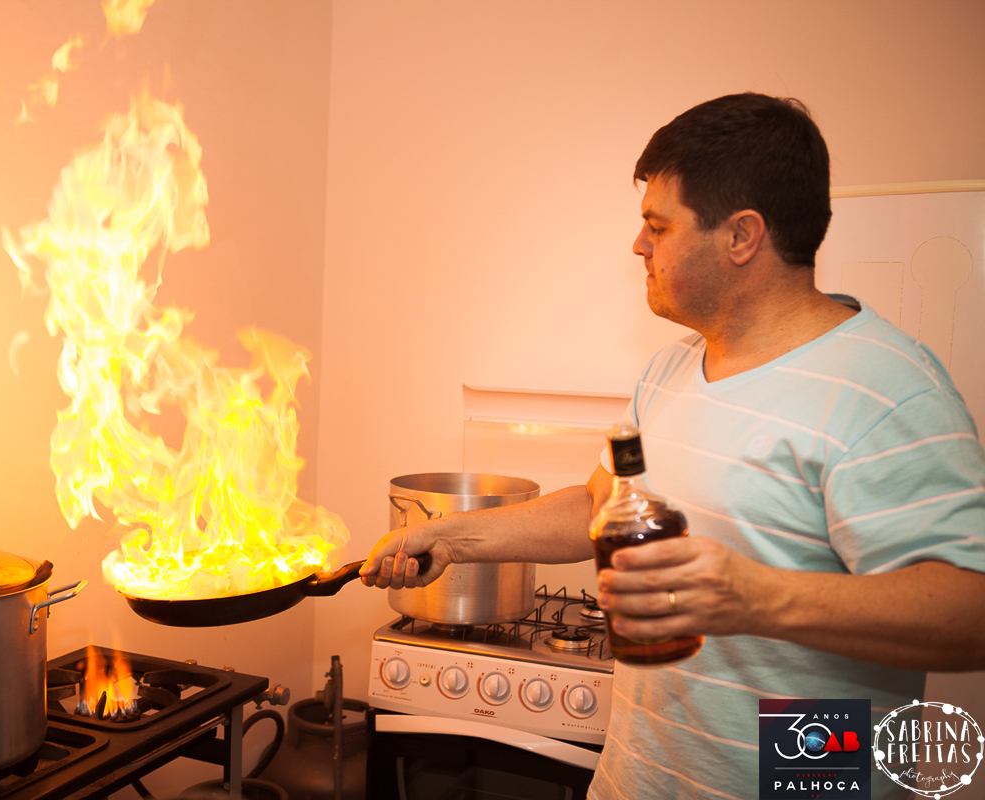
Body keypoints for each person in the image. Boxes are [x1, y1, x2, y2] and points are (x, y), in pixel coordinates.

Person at [359, 92, 985, 799]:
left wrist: (756, 598)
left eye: (658, 225)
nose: (638, 245)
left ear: (742, 236)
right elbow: (597, 508)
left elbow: (969, 612)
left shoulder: (884, 387)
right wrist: (455, 537)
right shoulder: (669, 372)